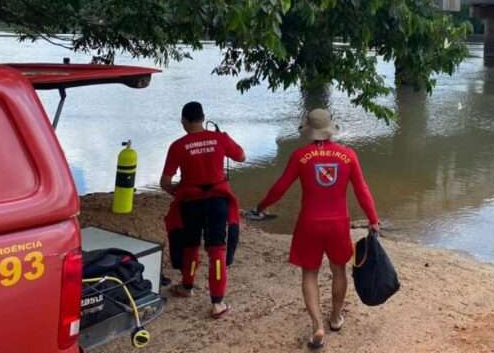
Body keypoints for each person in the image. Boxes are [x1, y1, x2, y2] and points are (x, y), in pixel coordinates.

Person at [254, 108, 380, 350]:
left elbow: (280, 187)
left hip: (309, 224)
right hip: (338, 223)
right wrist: (373, 219)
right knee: (339, 270)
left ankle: (317, 326)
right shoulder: (348, 155)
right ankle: (335, 317)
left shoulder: (300, 156)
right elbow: (362, 190)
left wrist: (262, 206)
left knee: (309, 274)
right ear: (330, 129)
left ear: (309, 131)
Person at [160, 101, 245, 319]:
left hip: (191, 202)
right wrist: (221, 139)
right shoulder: (220, 139)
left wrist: (179, 193)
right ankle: (217, 303)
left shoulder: (178, 146)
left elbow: (165, 182)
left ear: (184, 122)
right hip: (217, 201)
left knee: (191, 245)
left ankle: (187, 287)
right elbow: (241, 156)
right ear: (203, 117)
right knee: (217, 249)